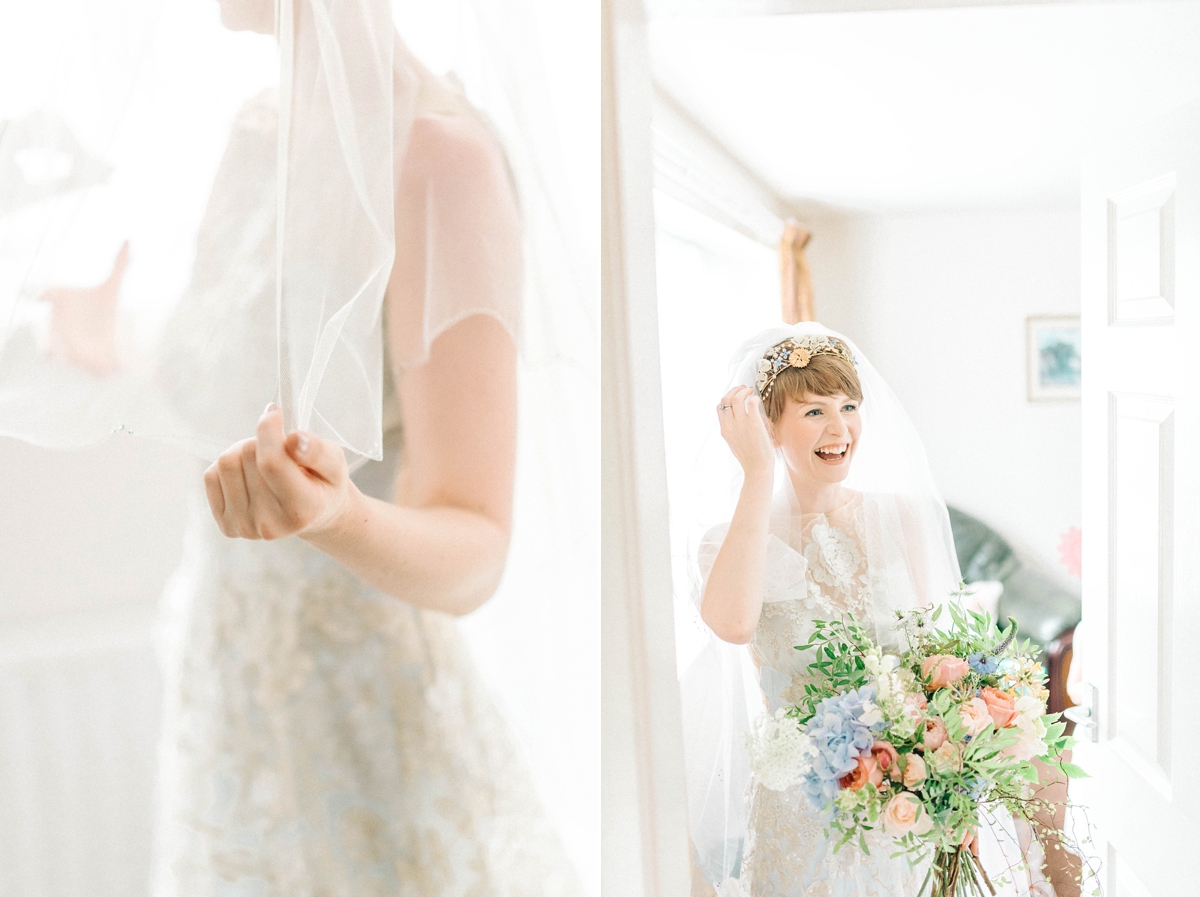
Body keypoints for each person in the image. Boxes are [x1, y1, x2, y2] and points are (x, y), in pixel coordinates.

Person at [26, 2, 584, 894]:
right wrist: (112, 342)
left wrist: (342, 512)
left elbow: (478, 544)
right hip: (226, 691)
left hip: (360, 721)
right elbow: (219, 383)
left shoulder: (441, 164)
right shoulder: (255, 136)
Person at [688, 323, 1072, 897]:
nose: (840, 428)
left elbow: (937, 660)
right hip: (802, 804)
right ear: (769, 426)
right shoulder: (732, 540)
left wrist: (951, 787)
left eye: (849, 406)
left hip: (906, 792)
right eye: (814, 411)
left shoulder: (902, 519)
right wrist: (757, 473)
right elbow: (734, 624)